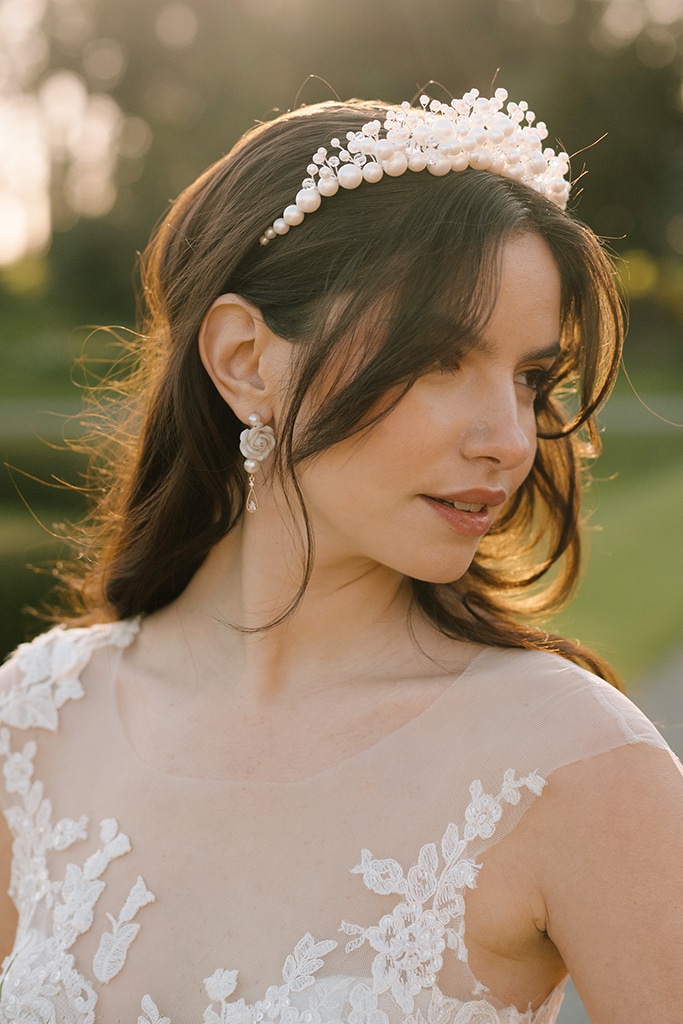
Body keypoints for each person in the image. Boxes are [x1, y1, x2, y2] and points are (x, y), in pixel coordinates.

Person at [0, 88, 681, 1024]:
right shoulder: (34, 727)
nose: (511, 439)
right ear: (245, 358)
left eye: (529, 379)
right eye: (441, 358)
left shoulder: (576, 765)